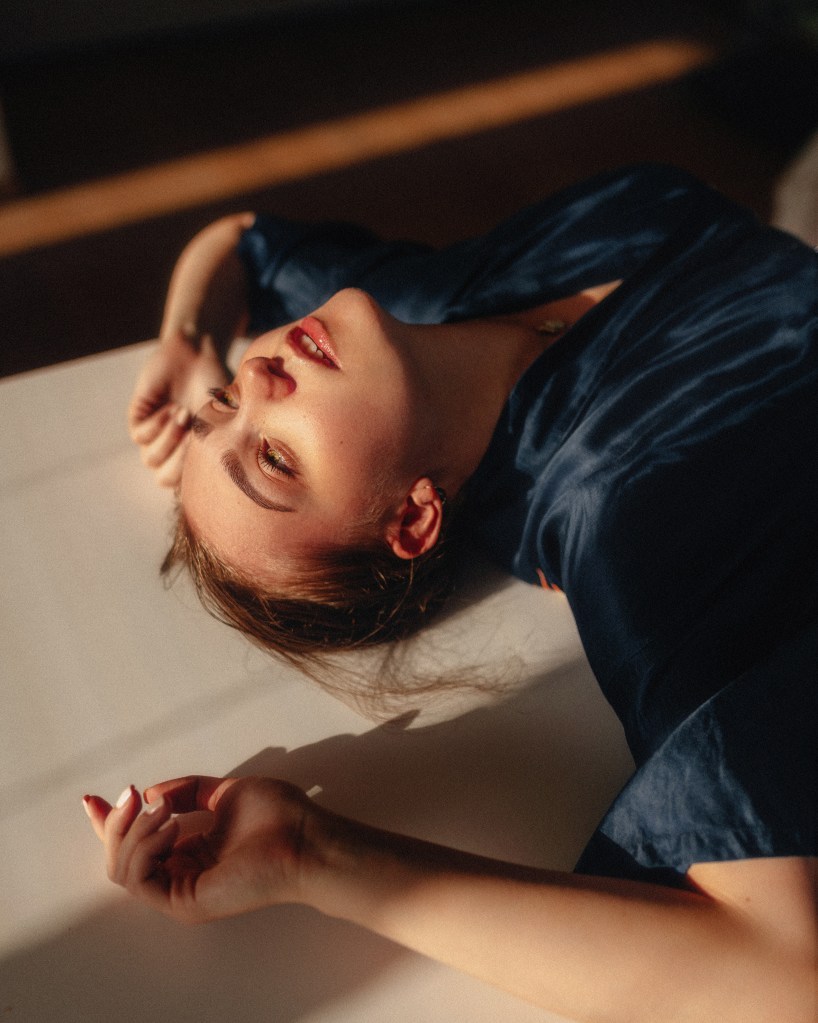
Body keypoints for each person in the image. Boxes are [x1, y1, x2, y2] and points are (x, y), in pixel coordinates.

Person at [84, 165, 817, 1023]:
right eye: (275, 458)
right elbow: (788, 975)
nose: (261, 374)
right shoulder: (621, 517)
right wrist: (312, 853)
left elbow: (239, 237)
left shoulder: (416, 306)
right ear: (413, 520)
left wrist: (181, 340)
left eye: (225, 399)